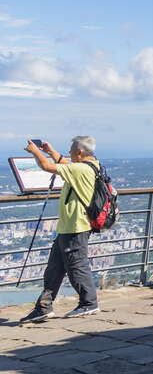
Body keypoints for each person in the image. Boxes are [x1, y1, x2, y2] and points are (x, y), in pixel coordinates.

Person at [19, 136, 102, 323]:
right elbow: (64, 163)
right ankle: (43, 307)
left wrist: (35, 152)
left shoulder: (80, 169)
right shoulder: (91, 165)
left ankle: (89, 303)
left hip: (76, 225)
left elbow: (48, 167)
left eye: (72, 150)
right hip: (68, 226)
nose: (70, 153)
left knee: (76, 265)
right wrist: (50, 152)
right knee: (54, 268)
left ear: (80, 152)